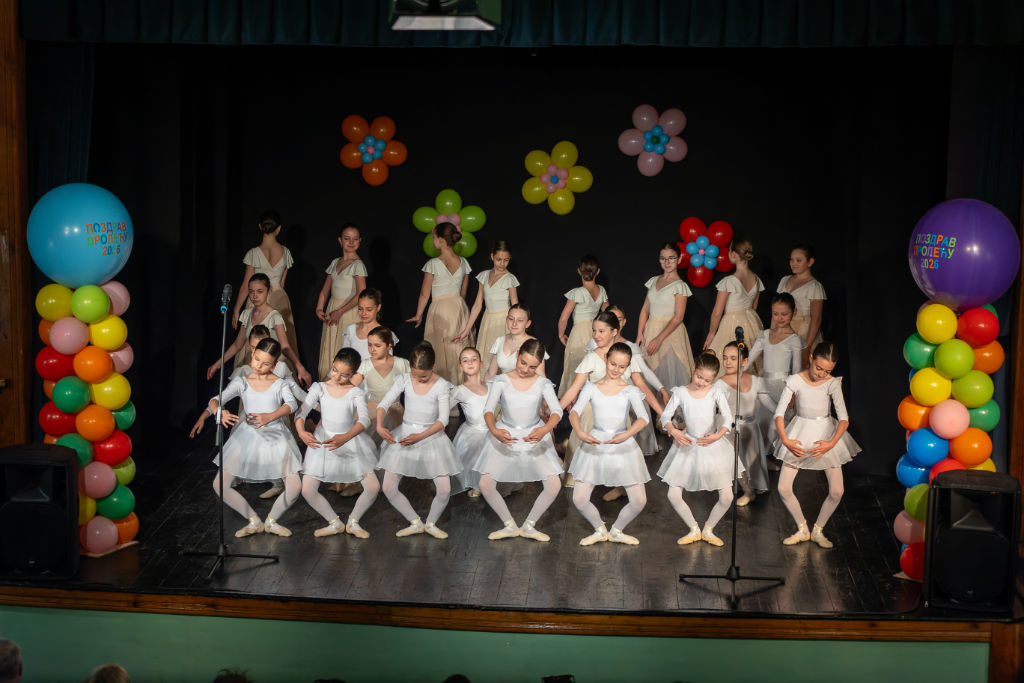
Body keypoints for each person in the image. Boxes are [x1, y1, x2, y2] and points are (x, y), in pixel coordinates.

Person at [190, 338, 302, 538]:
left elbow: (291, 404)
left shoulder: (279, 383)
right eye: (257, 359)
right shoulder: (242, 382)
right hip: (248, 437)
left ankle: (272, 520)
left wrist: (270, 416)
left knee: (295, 486)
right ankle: (254, 520)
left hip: (275, 436)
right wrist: (219, 413)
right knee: (219, 485)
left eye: (265, 363)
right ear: (253, 354)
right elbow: (215, 400)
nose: (258, 365)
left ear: (274, 365)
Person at [472, 339, 564, 542]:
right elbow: (488, 410)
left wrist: (545, 429)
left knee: (553, 484)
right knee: (485, 483)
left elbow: (557, 411)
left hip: (534, 435)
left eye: (532, 367)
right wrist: (494, 430)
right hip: (506, 434)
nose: (525, 369)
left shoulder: (542, 383)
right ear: (517, 356)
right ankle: (509, 525)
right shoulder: (501, 381)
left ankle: (529, 525)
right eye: (523, 363)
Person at [560, 311, 662, 487]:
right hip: (594, 413)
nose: (596, 335)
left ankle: (618, 487)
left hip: (618, 414)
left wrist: (664, 414)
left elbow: (642, 386)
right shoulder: (592, 357)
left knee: (620, 468)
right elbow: (574, 388)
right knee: (586, 472)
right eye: (594, 331)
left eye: (601, 331)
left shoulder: (625, 354)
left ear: (614, 331)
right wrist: (554, 414)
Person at [774, 342, 861, 548]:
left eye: (827, 371)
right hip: (800, 432)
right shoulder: (795, 380)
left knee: (837, 491)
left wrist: (831, 444)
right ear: (811, 358)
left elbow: (844, 419)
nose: (821, 374)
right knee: (783, 487)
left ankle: (818, 530)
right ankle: (802, 528)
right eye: (818, 368)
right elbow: (779, 413)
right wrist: (785, 439)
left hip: (826, 434)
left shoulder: (832, 383)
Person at [568, 342, 650, 546]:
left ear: (628, 367)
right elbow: (574, 412)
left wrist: (626, 434)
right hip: (596, 443)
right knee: (579, 498)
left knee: (639, 500)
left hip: (623, 444)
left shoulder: (630, 390)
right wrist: (580, 432)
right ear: (606, 360)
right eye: (613, 364)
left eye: (622, 367)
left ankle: (616, 531)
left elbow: (643, 418)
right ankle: (599, 529)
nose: (616, 369)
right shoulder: (591, 387)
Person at [293, 347, 380, 538]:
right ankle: (335, 523)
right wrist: (301, 431)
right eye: (334, 370)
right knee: (307, 490)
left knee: (373, 487)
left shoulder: (355, 392)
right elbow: (301, 412)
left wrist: (345, 437)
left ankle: (353, 522)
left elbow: (364, 420)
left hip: (349, 440)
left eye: (344, 375)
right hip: (323, 442)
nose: (337, 377)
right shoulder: (319, 388)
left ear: (354, 374)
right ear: (332, 364)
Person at [376, 342, 460, 539]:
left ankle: (431, 523)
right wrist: (379, 426)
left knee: (444, 489)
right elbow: (384, 403)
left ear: (433, 366)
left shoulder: (441, 386)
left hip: (431, 437)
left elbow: (443, 420)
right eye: (415, 374)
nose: (419, 379)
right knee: (388, 486)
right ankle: (415, 522)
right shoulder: (405, 379)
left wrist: (420, 436)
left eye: (423, 376)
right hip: (405, 435)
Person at [659, 351, 742, 547]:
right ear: (693, 369)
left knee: (727, 496)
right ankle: (694, 529)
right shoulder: (680, 392)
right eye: (699, 377)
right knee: (673, 494)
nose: (701, 382)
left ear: (713, 379)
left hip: (711, 444)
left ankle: (708, 529)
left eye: (707, 380)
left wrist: (718, 435)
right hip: (688, 444)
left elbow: (728, 418)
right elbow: (665, 416)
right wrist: (674, 430)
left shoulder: (715, 392)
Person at [584, 303, 669, 461]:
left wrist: (662, 397)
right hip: (596, 402)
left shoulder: (628, 349)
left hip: (620, 402)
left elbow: (642, 379)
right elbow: (585, 376)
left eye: (618, 319)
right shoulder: (593, 348)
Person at [209, 273, 312, 388]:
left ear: (269, 291)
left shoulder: (274, 316)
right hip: (257, 365)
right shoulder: (247, 314)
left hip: (273, 367)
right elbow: (237, 345)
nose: (254, 296)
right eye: (251, 292)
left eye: (259, 291)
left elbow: (285, 346)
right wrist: (218, 363)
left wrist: (300, 367)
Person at [230, 210, 300, 359]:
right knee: (278, 339)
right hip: (279, 298)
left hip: (257, 297)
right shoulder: (285, 252)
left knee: (255, 339)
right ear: (278, 228)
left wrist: (236, 309)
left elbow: (246, 285)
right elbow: (281, 283)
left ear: (260, 227)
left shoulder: (253, 253)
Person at [408, 223, 472, 384]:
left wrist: (419, 314)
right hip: (458, 308)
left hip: (440, 310)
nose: (433, 241)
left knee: (440, 350)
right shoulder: (464, 262)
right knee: (457, 349)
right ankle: (459, 386)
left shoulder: (433, 263)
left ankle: (442, 388)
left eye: (434, 237)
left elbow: (424, 293)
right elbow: (463, 293)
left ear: (441, 240)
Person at [747, 292, 803, 450]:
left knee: (778, 424)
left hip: (783, 387)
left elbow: (797, 369)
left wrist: (793, 393)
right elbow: (749, 359)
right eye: (775, 314)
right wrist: (736, 373)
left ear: (794, 312)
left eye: (784, 314)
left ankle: (783, 449)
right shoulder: (764, 335)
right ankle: (768, 454)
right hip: (765, 384)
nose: (779, 318)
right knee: (764, 422)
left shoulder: (794, 339)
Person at [453, 240, 519, 372]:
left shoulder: (509, 279)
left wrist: (517, 332)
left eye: (506, 260)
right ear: (492, 256)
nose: (502, 263)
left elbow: (516, 307)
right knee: (487, 359)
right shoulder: (484, 276)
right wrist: (466, 330)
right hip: (488, 321)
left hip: (503, 323)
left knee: (501, 360)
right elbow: (478, 305)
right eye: (499, 259)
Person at [716, 341, 768, 506]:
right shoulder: (720, 384)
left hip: (750, 427)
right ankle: (748, 491)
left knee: (748, 461)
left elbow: (767, 402)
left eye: (733, 358)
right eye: (725, 358)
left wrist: (784, 411)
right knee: (733, 460)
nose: (727, 362)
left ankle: (747, 485)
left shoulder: (754, 380)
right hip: (730, 428)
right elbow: (710, 407)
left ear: (745, 361)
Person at [703, 239, 765, 374]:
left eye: (729, 251)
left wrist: (712, 333)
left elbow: (717, 312)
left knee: (728, 359)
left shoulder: (729, 281)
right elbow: (754, 306)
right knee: (747, 357)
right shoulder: (756, 279)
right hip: (751, 321)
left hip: (732, 323)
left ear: (734, 254)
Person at [637, 242, 694, 388]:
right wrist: (640, 333)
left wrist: (659, 339)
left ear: (679, 259)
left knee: (668, 377)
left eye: (671, 258)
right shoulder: (653, 281)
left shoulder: (680, 286)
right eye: (663, 258)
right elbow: (645, 309)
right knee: (647, 374)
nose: (667, 262)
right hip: (650, 330)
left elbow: (678, 317)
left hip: (670, 334)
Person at [315, 223, 368, 379]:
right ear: (340, 240)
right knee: (330, 347)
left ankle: (344, 384)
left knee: (344, 348)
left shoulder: (358, 265)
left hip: (348, 311)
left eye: (355, 239)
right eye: (347, 238)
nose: (351, 242)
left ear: (360, 241)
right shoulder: (335, 262)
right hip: (333, 309)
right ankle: (328, 386)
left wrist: (340, 311)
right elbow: (325, 290)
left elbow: (361, 294)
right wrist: (319, 308)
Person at [556, 255, 608, 395]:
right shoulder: (601, 290)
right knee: (593, 368)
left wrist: (561, 334)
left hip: (579, 334)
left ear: (579, 271)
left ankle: (573, 400)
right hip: (596, 333)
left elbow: (563, 318)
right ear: (597, 271)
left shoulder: (578, 292)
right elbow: (609, 314)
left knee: (576, 368)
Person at [352, 326, 409, 447]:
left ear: (389, 345)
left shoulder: (402, 363)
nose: (372, 349)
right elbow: (350, 387)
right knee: (368, 446)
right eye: (369, 345)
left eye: (377, 346)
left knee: (393, 447)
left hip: (395, 412)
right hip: (372, 410)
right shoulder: (365, 364)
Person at [776, 244, 825, 367]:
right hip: (783, 330)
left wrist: (807, 348)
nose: (794, 263)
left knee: (800, 369)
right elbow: (776, 309)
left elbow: (816, 319)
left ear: (810, 262)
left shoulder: (814, 286)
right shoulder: (784, 280)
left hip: (803, 332)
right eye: (791, 260)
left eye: (798, 260)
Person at [450, 347, 489, 497]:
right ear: (461, 366)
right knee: (475, 450)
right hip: (473, 431)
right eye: (465, 361)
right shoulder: (459, 390)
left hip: (491, 429)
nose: (470, 363)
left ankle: (486, 482)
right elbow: (443, 409)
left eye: (474, 359)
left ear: (481, 363)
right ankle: (476, 483)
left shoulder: (490, 386)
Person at [484, 303, 547, 379]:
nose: (514, 324)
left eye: (520, 320)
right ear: (506, 320)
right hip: (503, 384)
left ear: (528, 324)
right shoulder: (500, 340)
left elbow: (541, 376)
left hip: (525, 385)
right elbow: (490, 373)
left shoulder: (535, 344)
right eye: (511, 319)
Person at [342, 288, 398, 362]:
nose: (363, 313)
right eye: (360, 309)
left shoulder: (385, 333)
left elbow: (386, 363)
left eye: (369, 309)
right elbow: (343, 357)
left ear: (378, 308)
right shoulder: (351, 329)